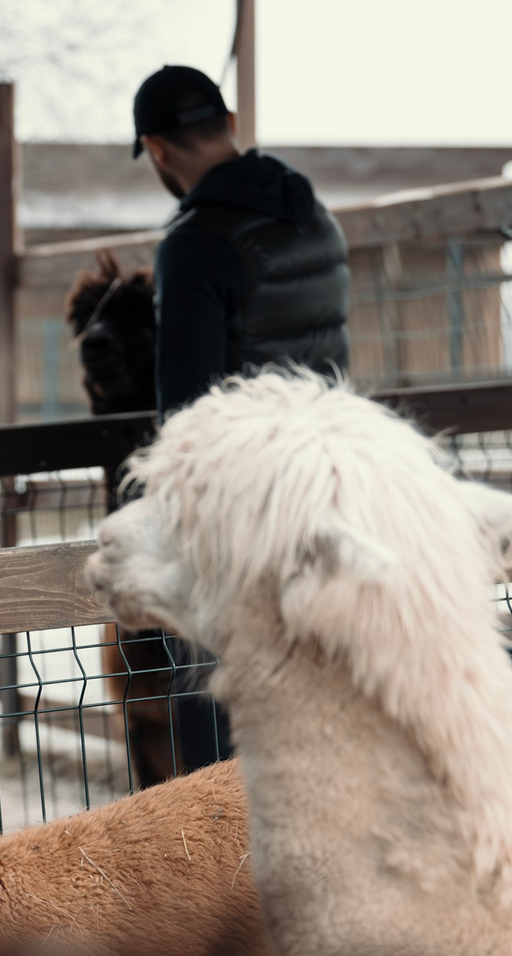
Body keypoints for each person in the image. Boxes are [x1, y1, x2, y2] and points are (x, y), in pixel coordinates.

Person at [134, 63, 350, 773]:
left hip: (236, 526)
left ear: (158, 150)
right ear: (227, 126)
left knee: (218, 738)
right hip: (326, 499)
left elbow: (185, 417)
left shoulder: (196, 244)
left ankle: (226, 879)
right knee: (318, 719)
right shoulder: (313, 217)